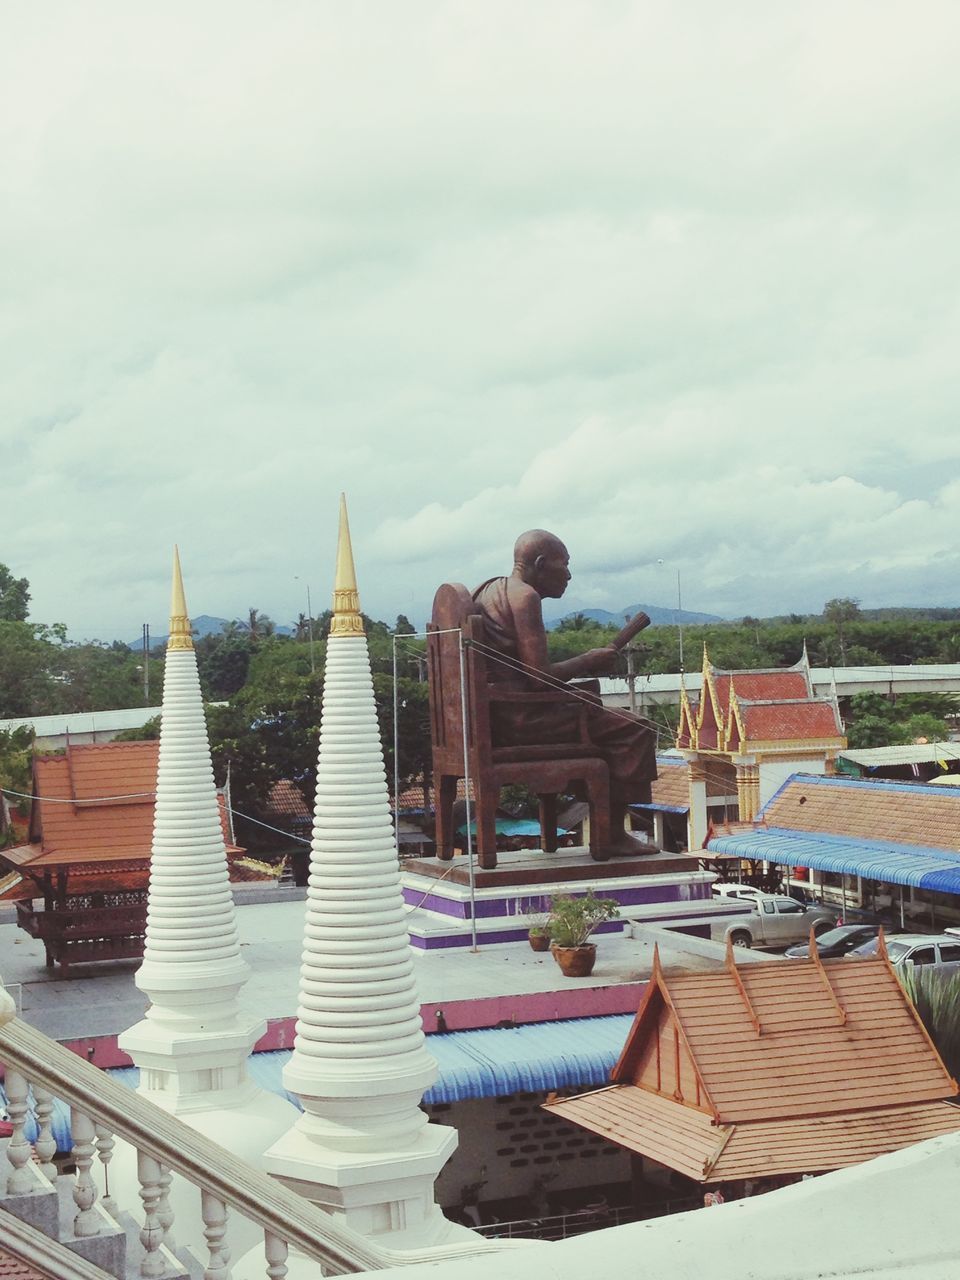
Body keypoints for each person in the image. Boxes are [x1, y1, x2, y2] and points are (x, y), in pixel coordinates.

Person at [472, 529, 658, 855]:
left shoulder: (488, 590)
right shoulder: (524, 597)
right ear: (542, 564)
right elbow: (538, 679)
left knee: (600, 710)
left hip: (496, 717)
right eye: (565, 564)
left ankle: (605, 824)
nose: (569, 575)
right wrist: (588, 660)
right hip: (522, 722)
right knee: (635, 728)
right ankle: (612, 834)